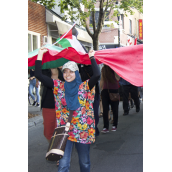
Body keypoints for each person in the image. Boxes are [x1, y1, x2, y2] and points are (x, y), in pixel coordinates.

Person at [35, 47, 100, 172]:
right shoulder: (58, 87)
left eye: (71, 71)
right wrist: (39, 55)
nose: (67, 75)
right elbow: (38, 74)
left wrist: (92, 57)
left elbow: (97, 75)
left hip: (82, 132)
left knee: (85, 163)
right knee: (63, 165)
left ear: (76, 73)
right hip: (65, 132)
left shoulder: (84, 87)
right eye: (65, 72)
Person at [78, 63, 100, 137]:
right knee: (88, 113)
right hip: (84, 94)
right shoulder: (80, 68)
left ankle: (94, 130)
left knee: (93, 113)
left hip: (92, 93)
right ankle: (91, 130)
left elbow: (97, 76)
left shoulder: (91, 67)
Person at [100, 65, 120, 133]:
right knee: (105, 110)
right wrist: (100, 89)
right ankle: (105, 127)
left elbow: (118, 78)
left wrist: (114, 69)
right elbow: (102, 79)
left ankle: (115, 125)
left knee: (115, 109)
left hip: (114, 90)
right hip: (105, 91)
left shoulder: (115, 67)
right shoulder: (103, 68)